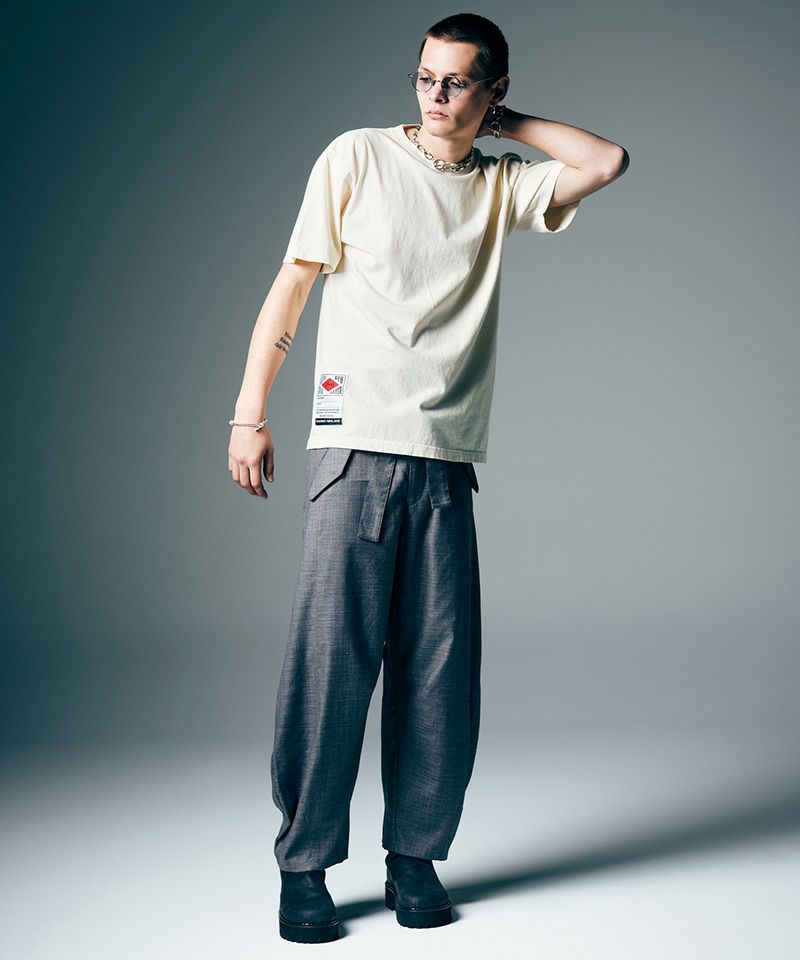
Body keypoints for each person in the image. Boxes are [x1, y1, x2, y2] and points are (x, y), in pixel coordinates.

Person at [228, 12, 628, 945]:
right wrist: (249, 414)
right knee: (331, 665)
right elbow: (293, 285)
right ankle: (304, 867)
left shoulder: (499, 184)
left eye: (458, 82)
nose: (435, 94)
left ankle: (414, 856)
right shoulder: (358, 156)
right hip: (354, 446)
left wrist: (505, 124)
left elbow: (606, 160)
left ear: (492, 90)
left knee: (440, 672)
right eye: (424, 77)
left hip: (446, 461)